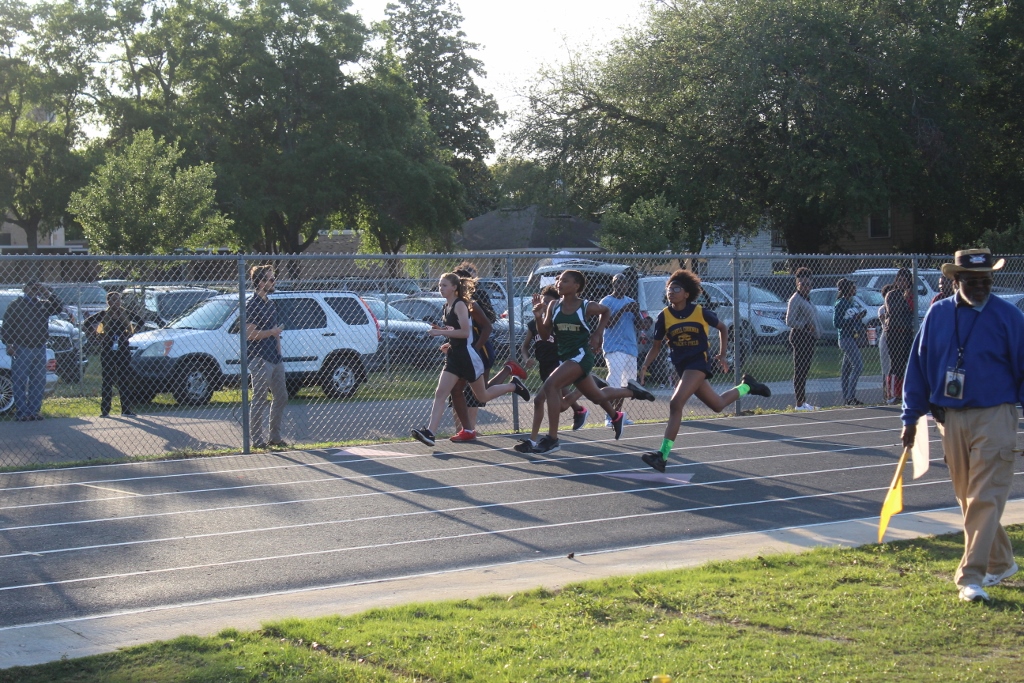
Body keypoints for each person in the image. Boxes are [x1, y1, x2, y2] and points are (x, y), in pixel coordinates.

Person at [900, 248, 1024, 602]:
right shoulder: (938, 314)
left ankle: (970, 577)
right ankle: (1001, 562)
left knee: (985, 495)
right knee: (968, 497)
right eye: (972, 281)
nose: (981, 287)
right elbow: (918, 367)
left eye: (987, 280)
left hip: (995, 415)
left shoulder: (1010, 317)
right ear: (956, 281)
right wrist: (911, 417)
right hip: (949, 418)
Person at [638, 270, 771, 472]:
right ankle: (747, 386)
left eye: (676, 288)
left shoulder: (699, 312)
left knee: (675, 403)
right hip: (683, 367)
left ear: (687, 294)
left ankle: (662, 456)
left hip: (698, 363)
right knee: (717, 404)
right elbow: (656, 347)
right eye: (669, 289)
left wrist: (723, 354)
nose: (671, 292)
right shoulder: (664, 316)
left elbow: (723, 328)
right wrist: (645, 366)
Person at [514, 269, 655, 455]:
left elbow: (606, 311)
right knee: (597, 397)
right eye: (559, 280)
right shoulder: (553, 306)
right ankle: (633, 391)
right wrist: (539, 316)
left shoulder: (586, 306)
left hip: (581, 356)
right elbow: (545, 335)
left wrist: (598, 334)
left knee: (550, 385)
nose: (559, 283)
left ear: (576, 286)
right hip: (566, 358)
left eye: (565, 281)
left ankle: (552, 439)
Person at [411, 273, 530, 447]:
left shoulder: (460, 304)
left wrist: (440, 332)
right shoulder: (446, 306)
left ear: (454, 287)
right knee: (441, 393)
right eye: (439, 285)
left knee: (482, 395)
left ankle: (513, 386)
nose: (441, 288)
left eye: (444, 285)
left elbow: (466, 333)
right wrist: (449, 342)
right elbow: (456, 331)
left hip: (468, 357)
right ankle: (431, 432)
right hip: (454, 357)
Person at [518, 285, 589, 431]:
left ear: (556, 304)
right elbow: (524, 346)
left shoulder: (558, 323)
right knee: (560, 397)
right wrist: (526, 359)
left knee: (540, 399)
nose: (545, 305)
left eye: (548, 302)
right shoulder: (534, 324)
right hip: (544, 365)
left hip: (557, 363)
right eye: (543, 302)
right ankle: (579, 409)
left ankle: (539, 437)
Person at [1, 280, 61, 421]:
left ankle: (34, 411)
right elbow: (7, 326)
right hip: (22, 347)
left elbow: (58, 307)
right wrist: (9, 344)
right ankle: (22, 412)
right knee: (20, 380)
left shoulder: (42, 304)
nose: (35, 290)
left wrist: (46, 293)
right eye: (32, 287)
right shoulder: (16, 304)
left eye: (37, 288)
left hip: (40, 347)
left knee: (38, 381)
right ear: (25, 288)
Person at [600, 273, 651, 427]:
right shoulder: (606, 301)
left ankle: (618, 415)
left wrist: (637, 314)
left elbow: (640, 326)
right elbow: (607, 324)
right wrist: (623, 310)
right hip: (614, 346)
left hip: (630, 347)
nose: (621, 285)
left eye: (624, 283)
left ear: (628, 286)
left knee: (625, 384)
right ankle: (608, 416)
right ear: (613, 284)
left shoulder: (631, 301)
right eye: (618, 282)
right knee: (614, 381)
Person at [246, 265, 288, 450]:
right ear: (261, 282)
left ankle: (275, 437)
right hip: (260, 358)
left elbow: (275, 331)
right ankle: (257, 440)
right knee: (260, 398)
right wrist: (271, 332)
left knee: (282, 396)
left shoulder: (270, 304)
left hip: (274, 358)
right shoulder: (251, 304)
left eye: (273, 279)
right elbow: (249, 334)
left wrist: (278, 349)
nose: (274, 282)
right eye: (270, 279)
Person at [84, 292, 145, 417]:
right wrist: (97, 335)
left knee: (124, 379)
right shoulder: (104, 314)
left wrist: (130, 333)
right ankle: (105, 410)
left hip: (123, 349)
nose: (116, 303)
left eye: (118, 300)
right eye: (113, 300)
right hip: (108, 349)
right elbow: (87, 323)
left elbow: (141, 321)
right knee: (107, 380)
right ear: (108, 302)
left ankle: (126, 409)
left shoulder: (125, 313)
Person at [785, 267, 822, 411]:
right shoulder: (795, 299)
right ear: (797, 284)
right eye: (803, 284)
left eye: (809, 284)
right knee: (800, 370)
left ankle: (803, 401)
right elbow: (789, 320)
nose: (807, 287)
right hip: (800, 337)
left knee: (805, 370)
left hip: (809, 338)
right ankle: (799, 403)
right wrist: (805, 326)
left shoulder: (807, 299)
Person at [833, 278, 866, 406]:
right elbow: (837, 323)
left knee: (846, 371)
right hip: (845, 339)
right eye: (853, 287)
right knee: (858, 366)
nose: (855, 289)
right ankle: (850, 396)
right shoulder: (840, 303)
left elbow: (854, 320)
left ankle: (847, 398)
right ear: (847, 289)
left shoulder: (851, 302)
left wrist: (860, 321)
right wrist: (854, 319)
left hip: (852, 338)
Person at [885, 268, 915, 404]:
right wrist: (904, 298)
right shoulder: (892, 294)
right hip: (894, 331)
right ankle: (892, 394)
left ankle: (903, 393)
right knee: (896, 362)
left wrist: (908, 297)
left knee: (905, 362)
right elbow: (894, 311)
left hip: (907, 331)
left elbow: (911, 310)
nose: (902, 283)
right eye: (900, 280)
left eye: (905, 280)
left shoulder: (912, 295)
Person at [877, 284, 894, 402]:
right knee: (886, 367)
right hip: (886, 336)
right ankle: (886, 394)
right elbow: (885, 321)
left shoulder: (899, 306)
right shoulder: (882, 309)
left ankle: (895, 393)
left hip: (896, 337)